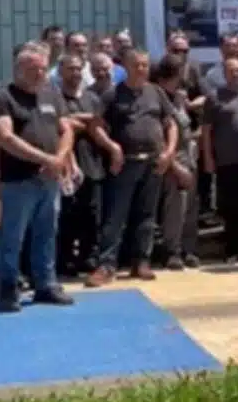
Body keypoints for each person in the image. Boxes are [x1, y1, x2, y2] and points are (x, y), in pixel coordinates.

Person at [0, 42, 77, 311]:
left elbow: (67, 129)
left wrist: (60, 158)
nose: (39, 74)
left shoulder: (52, 94)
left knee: (47, 233)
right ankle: (7, 288)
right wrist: (46, 159)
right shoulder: (2, 98)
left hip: (50, 179)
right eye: (33, 69)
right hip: (19, 180)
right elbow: (4, 137)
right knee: (12, 237)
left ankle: (45, 285)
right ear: (18, 69)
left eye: (43, 69)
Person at [87, 49, 174, 286]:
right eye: (137, 65)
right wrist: (112, 147)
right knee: (115, 216)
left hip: (153, 163)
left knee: (146, 216)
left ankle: (141, 262)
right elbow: (95, 126)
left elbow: (170, 124)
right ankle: (106, 266)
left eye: (145, 65)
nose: (142, 69)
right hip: (124, 164)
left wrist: (168, 152)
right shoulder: (112, 94)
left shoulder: (156, 92)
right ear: (125, 66)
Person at [55, 53, 113, 276]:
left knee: (91, 214)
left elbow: (99, 125)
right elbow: (59, 124)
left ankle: (88, 257)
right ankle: (64, 259)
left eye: (79, 69)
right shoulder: (54, 97)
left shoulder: (92, 98)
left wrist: (78, 120)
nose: (76, 73)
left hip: (92, 164)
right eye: (71, 69)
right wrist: (85, 120)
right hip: (66, 165)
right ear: (60, 71)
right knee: (66, 215)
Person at [202, 57, 238, 261]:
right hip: (227, 161)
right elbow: (206, 131)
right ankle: (233, 249)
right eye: (232, 71)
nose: (236, 74)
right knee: (231, 208)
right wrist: (208, 157)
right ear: (224, 74)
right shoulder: (214, 97)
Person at [153, 54, 201, 270]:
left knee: (191, 206)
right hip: (173, 159)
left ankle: (188, 249)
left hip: (189, 156)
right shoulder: (158, 97)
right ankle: (172, 251)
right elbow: (159, 138)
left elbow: (187, 127)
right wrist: (175, 167)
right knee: (175, 207)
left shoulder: (179, 97)